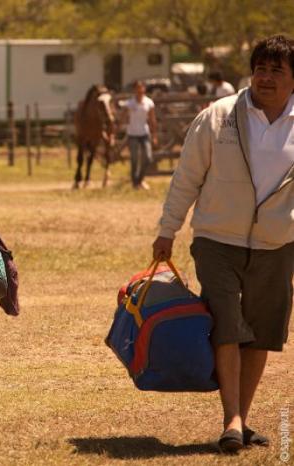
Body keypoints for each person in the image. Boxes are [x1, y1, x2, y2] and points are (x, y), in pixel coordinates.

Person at [152, 34, 294, 454]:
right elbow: (187, 177)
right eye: (260, 68)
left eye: (277, 70)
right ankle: (231, 418)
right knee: (227, 323)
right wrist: (168, 229)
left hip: (277, 244)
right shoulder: (219, 116)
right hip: (217, 237)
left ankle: (243, 418)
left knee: (262, 333)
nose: (265, 77)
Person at [124, 81, 158, 190]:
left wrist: (154, 135)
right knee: (134, 158)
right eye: (137, 88)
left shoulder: (149, 103)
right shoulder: (129, 103)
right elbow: (124, 117)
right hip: (132, 134)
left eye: (141, 88)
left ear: (144, 89)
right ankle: (135, 183)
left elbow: (152, 120)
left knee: (148, 157)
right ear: (134, 90)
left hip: (144, 133)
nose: (139, 90)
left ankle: (140, 179)